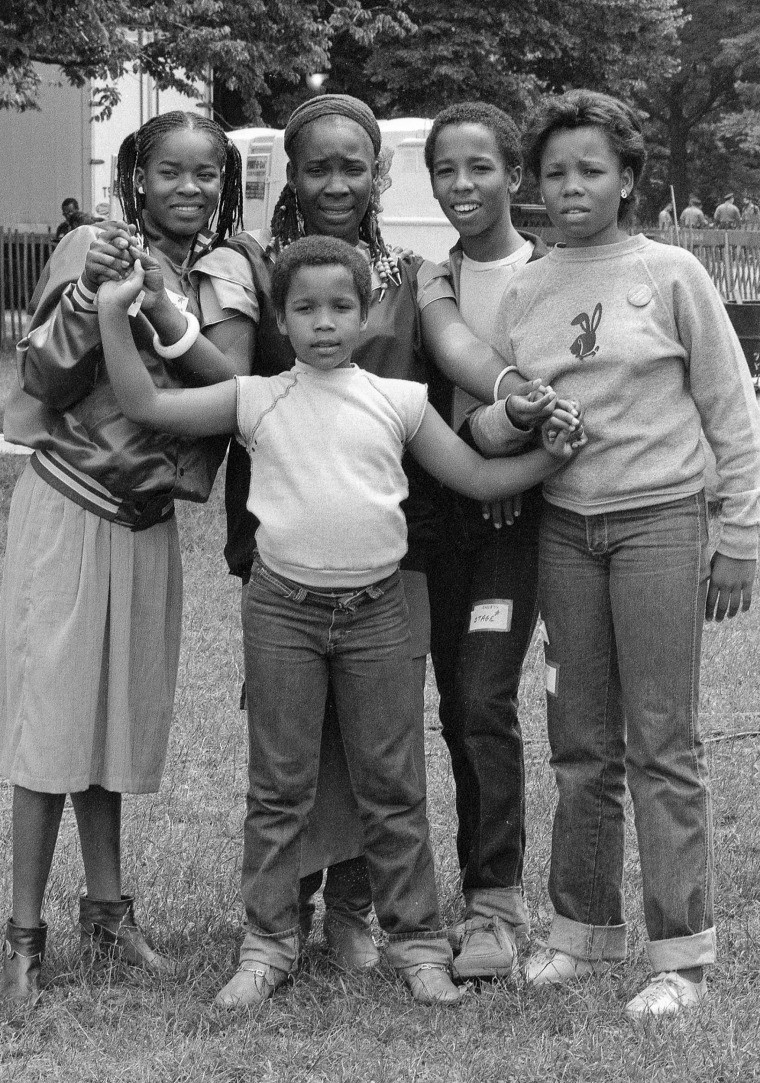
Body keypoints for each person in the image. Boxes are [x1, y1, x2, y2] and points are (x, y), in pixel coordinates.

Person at [96, 233, 584, 1007]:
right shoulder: (255, 395)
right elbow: (146, 403)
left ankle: (418, 942)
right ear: (281, 322)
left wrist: (551, 459)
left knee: (392, 785)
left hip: (378, 613)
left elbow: (480, 474)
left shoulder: (399, 400)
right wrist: (115, 315)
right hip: (282, 610)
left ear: (365, 317)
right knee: (279, 786)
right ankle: (267, 942)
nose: (324, 322)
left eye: (341, 307)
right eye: (305, 309)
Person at [190, 94, 563, 974]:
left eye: (352, 165)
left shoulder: (412, 273)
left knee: (386, 728)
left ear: (378, 174)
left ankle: (368, 904)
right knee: (300, 732)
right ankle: (293, 909)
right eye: (316, 165)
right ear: (290, 171)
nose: (334, 183)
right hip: (285, 529)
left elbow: (455, 365)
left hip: (402, 531)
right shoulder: (260, 266)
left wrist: (502, 424)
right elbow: (233, 384)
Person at [470, 89, 760, 1016]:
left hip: (662, 527)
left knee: (662, 743)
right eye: (555, 172)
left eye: (591, 169)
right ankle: (582, 934)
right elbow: (486, 417)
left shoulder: (671, 272)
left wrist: (742, 538)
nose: (571, 187)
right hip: (565, 532)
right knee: (580, 743)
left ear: (628, 178)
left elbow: (733, 410)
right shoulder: (525, 287)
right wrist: (514, 413)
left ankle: (680, 953)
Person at [0, 110, 244, 1005]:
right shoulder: (90, 249)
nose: (190, 187)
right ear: (136, 178)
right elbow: (43, 380)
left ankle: (108, 915)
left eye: (208, 173)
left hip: (147, 519)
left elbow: (225, 389)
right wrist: (86, 296)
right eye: (171, 171)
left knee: (111, 719)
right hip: (73, 504)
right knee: (51, 722)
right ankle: (24, 933)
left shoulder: (212, 272)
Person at [421, 101, 561, 981]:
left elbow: (561, 401)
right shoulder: (425, 282)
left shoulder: (553, 274)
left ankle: (495, 904)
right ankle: (475, 885)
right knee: (451, 710)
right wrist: (484, 443)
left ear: (514, 175)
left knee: (483, 699)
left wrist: (513, 462)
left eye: (480, 167)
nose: (463, 185)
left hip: (522, 520)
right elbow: (433, 395)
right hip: (444, 517)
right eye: (445, 170)